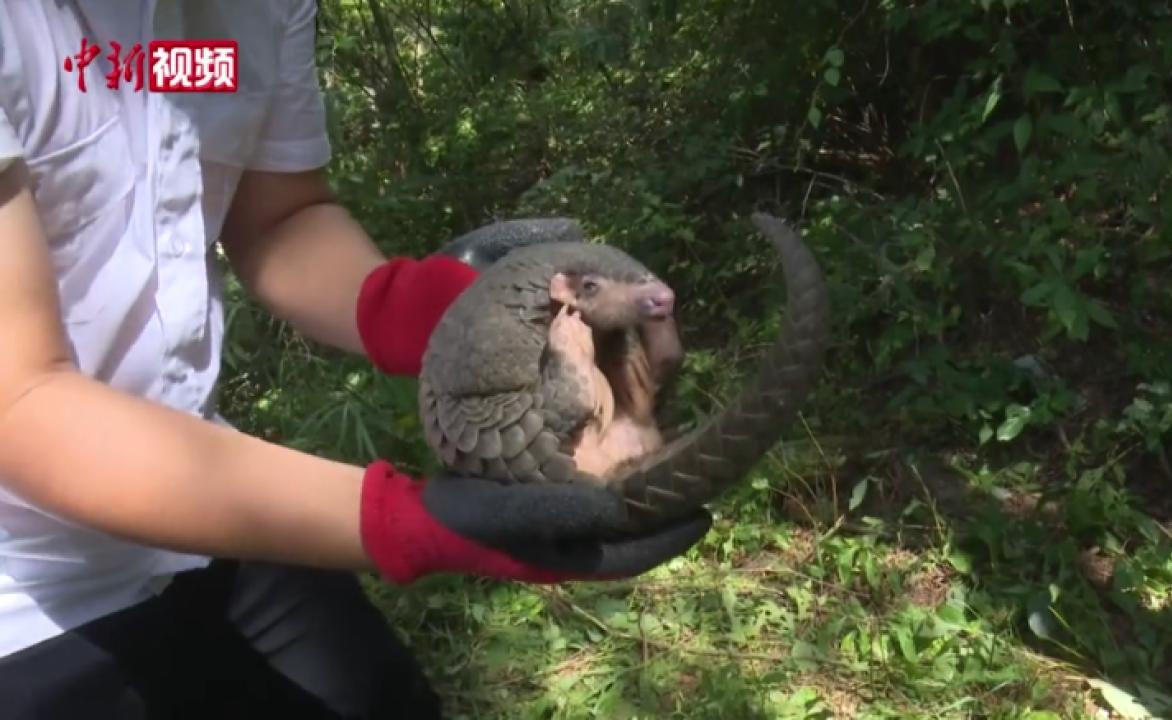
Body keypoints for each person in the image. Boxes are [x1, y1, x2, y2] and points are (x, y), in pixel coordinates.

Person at [0, 2, 711, 718]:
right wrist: (410, 521)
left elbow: (277, 218)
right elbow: (22, 405)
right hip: (23, 593)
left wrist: (438, 315)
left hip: (208, 507)